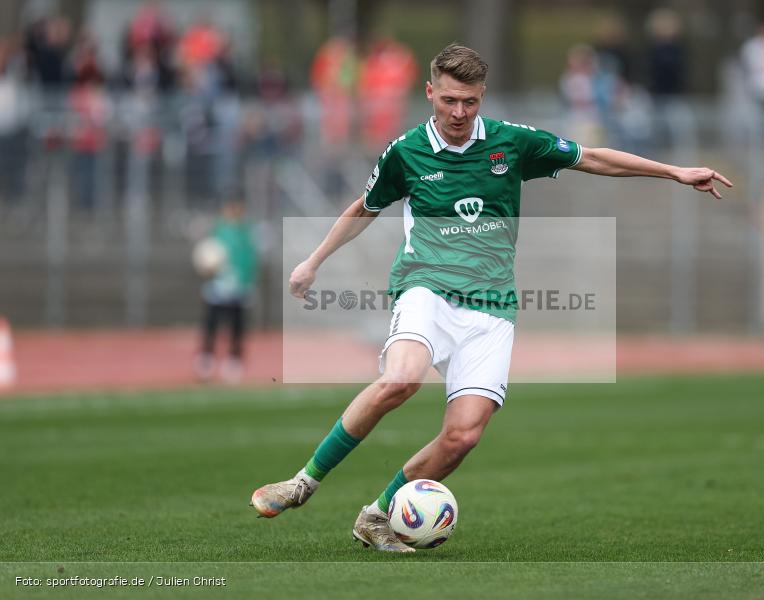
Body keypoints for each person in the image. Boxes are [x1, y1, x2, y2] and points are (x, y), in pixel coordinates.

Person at [250, 44, 732, 552]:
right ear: (430, 92)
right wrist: (313, 261)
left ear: (483, 97)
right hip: (426, 286)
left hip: (492, 305)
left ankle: (377, 514)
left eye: (471, 102)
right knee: (402, 377)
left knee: (463, 436)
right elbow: (364, 207)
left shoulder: (512, 143)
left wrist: (674, 172)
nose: (460, 113)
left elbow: (591, 158)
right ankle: (303, 481)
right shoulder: (405, 151)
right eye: (450, 100)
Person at [194, 201, 259, 384]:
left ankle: (234, 360)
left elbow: (251, 259)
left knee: (237, 327)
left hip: (240, 288)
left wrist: (247, 282)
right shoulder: (218, 230)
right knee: (211, 324)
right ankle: (206, 359)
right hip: (218, 287)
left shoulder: (247, 232)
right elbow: (206, 258)